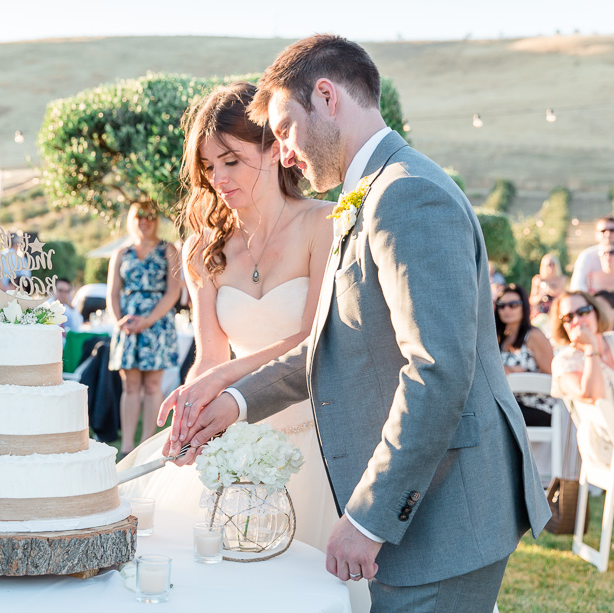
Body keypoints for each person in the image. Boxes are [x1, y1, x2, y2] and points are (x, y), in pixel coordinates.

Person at [160, 35, 549, 612]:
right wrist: (236, 401)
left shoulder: (406, 195)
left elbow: (437, 372)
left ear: (326, 97)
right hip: (422, 511)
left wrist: (368, 517)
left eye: (286, 128)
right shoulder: (368, 192)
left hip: (444, 517)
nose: (284, 152)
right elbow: (331, 345)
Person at [118, 81, 339, 555]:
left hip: (318, 438)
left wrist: (224, 379)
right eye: (207, 166)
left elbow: (311, 338)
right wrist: (191, 412)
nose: (218, 177)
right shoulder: (201, 248)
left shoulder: (325, 224)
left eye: (231, 160)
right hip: (235, 437)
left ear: (275, 147)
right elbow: (210, 354)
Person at [107, 202, 181, 456]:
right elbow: (113, 293)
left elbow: (173, 292)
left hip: (156, 323)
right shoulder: (121, 253)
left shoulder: (168, 250)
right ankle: (127, 445)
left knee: (152, 385)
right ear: (132, 219)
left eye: (149, 217)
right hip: (127, 325)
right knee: (130, 385)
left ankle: (146, 445)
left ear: (155, 220)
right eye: (138, 217)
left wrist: (147, 321)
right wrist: (120, 320)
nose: (144, 221)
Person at [549, 290, 614, 469]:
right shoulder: (564, 362)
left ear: (596, 311)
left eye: (583, 311)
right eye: (568, 317)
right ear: (562, 325)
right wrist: (590, 348)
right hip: (608, 448)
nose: (577, 320)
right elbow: (596, 396)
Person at [495, 284, 556, 426]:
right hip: (509, 405)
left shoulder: (534, 336)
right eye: (502, 305)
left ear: (524, 306)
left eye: (513, 305)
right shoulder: (498, 339)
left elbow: (552, 375)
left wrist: (522, 375)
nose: (507, 309)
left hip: (537, 407)